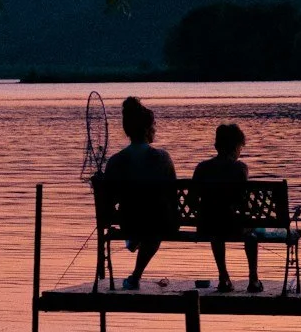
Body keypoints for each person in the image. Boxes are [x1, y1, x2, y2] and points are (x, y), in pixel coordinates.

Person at [96, 96, 177, 287]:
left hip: (129, 221)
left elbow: (109, 202)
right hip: (157, 222)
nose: (156, 129)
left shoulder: (116, 161)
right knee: (154, 227)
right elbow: (172, 192)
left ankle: (135, 249)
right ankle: (136, 274)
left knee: (146, 224)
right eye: (155, 125)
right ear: (148, 130)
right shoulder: (162, 157)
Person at [192, 122, 260, 292]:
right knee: (251, 234)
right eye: (240, 147)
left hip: (206, 224)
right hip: (230, 224)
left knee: (216, 231)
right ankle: (253, 278)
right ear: (236, 147)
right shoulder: (239, 168)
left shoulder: (202, 167)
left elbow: (192, 201)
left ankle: (223, 276)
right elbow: (241, 200)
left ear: (216, 146)